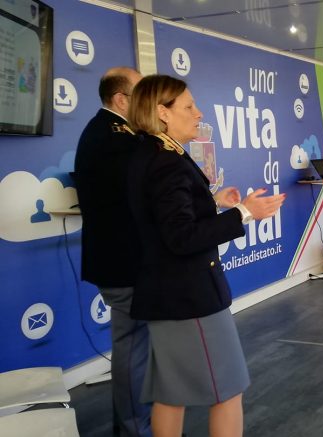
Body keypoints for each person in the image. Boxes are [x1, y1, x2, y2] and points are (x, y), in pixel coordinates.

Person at [125, 75, 286, 437]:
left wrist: (213, 202)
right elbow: (181, 237)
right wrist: (244, 212)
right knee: (228, 390)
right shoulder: (166, 162)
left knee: (171, 394)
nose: (198, 113)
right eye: (188, 106)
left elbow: (162, 217)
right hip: (189, 297)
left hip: (163, 294)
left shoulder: (147, 154)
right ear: (162, 112)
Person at [73, 66, 151, 437]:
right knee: (133, 347)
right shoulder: (114, 137)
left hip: (122, 259)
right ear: (121, 100)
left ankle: (138, 424)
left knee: (136, 347)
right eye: (141, 95)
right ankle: (137, 429)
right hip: (124, 262)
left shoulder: (109, 132)